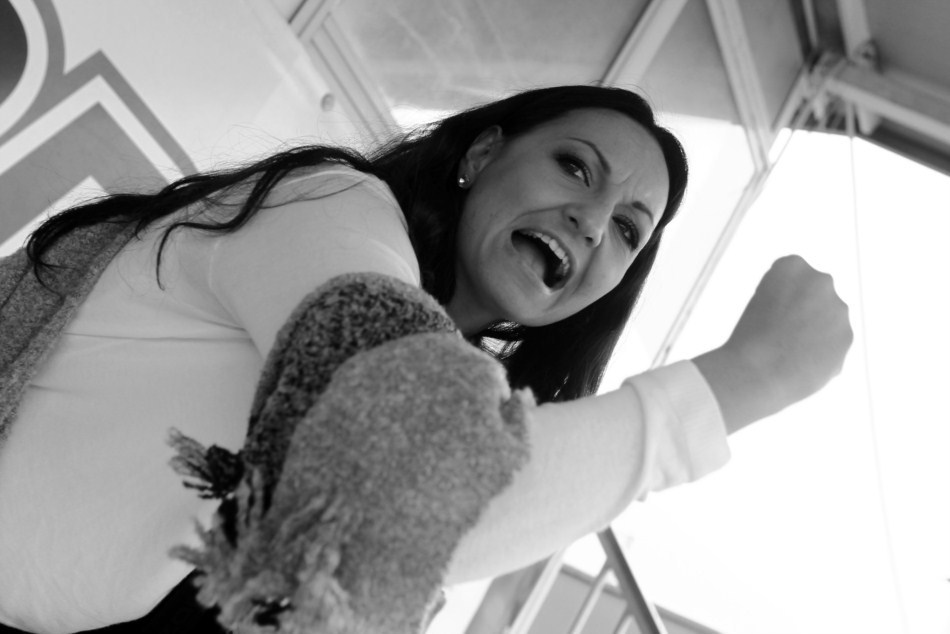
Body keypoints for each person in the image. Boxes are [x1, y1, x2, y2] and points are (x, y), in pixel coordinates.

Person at [0, 85, 852, 633]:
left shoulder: (448, 379)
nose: (594, 223)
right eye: (575, 168)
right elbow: (405, 484)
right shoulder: (332, 206)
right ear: (482, 154)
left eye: (629, 229)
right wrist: (744, 380)